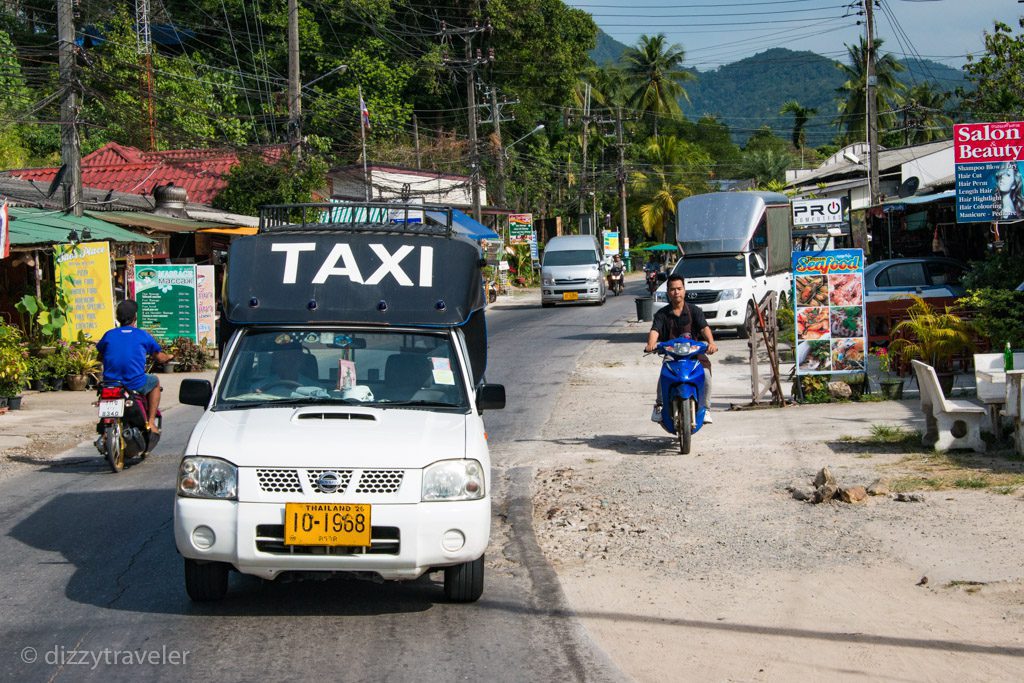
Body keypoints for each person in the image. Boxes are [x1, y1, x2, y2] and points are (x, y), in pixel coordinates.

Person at [645, 274, 718, 423]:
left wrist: (711, 343)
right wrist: (651, 344)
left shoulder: (695, 310)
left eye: (679, 288)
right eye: (672, 289)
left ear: (684, 290)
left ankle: (706, 410)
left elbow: (704, 328)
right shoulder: (662, 314)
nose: (676, 292)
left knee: (707, 376)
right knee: (664, 376)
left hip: (694, 355)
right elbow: (655, 330)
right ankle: (659, 406)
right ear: (668, 292)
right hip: (672, 355)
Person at [97, 300, 173, 433]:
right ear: (135, 318)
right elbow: (160, 357)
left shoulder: (109, 335)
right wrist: (169, 357)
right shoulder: (142, 335)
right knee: (154, 382)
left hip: (110, 384)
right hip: (134, 383)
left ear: (118, 318)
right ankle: (151, 422)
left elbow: (100, 356)